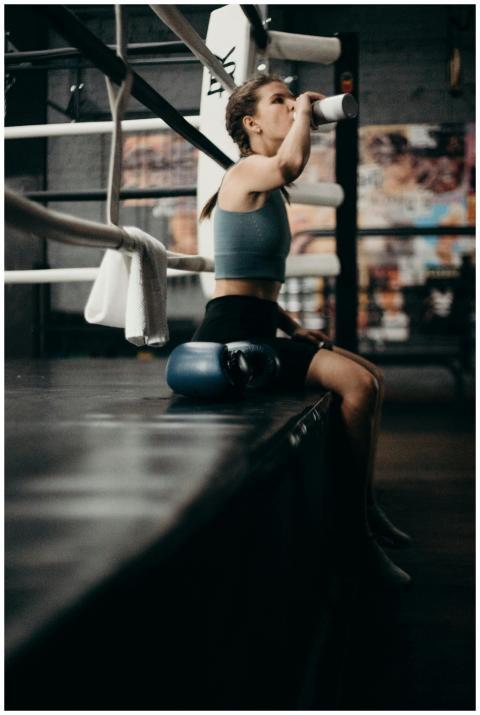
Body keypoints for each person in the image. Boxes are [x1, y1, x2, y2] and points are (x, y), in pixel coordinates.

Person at [192, 74, 412, 588]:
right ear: (251, 123)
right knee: (355, 386)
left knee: (370, 375)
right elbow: (291, 162)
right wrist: (311, 109)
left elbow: (254, 274)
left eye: (292, 99)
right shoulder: (247, 171)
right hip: (231, 331)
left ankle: (365, 504)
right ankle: (353, 538)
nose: (291, 106)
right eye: (280, 101)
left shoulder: (269, 187)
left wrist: (293, 325)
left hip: (260, 324)